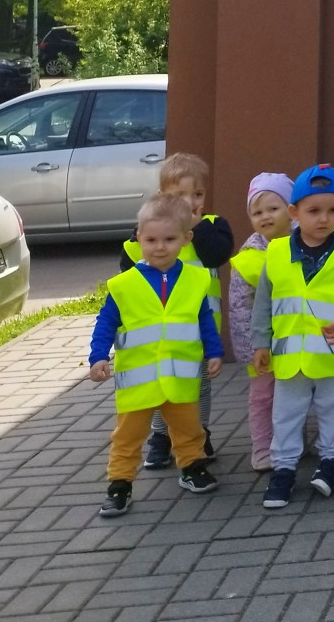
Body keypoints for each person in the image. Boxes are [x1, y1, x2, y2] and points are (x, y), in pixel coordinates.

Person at [89, 194, 224, 518]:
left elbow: (204, 318)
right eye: (151, 240)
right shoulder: (124, 285)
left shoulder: (196, 279)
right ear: (138, 238)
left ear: (186, 239)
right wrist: (98, 356)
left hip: (180, 377)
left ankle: (191, 467)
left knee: (189, 428)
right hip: (138, 381)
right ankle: (119, 485)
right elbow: (106, 321)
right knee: (127, 436)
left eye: (169, 239)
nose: (159, 247)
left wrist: (214, 351)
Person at [249, 165, 334, 507]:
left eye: (333, 210)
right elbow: (263, 303)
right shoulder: (276, 253)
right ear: (294, 212)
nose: (324, 218)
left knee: (333, 410)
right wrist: (260, 342)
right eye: (314, 210)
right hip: (290, 359)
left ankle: (331, 463)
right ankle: (284, 470)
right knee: (286, 415)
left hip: (332, 353)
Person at [123, 152, 233, 470]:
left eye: (197, 194)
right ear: (162, 198)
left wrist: (196, 227)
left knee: (199, 385)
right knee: (162, 383)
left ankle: (199, 434)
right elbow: (127, 277)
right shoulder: (148, 234)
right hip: (158, 333)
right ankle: (160, 437)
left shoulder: (212, 227)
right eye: (180, 195)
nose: (190, 202)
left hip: (200, 331)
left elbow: (217, 255)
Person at [228, 172, 294, 471]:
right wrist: (250, 349)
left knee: (294, 396)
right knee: (263, 397)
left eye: (273, 208)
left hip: (298, 338)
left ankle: (291, 442)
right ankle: (262, 447)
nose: (265, 216)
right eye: (257, 212)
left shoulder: (308, 245)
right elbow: (239, 308)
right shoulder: (248, 258)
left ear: (291, 209)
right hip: (262, 346)